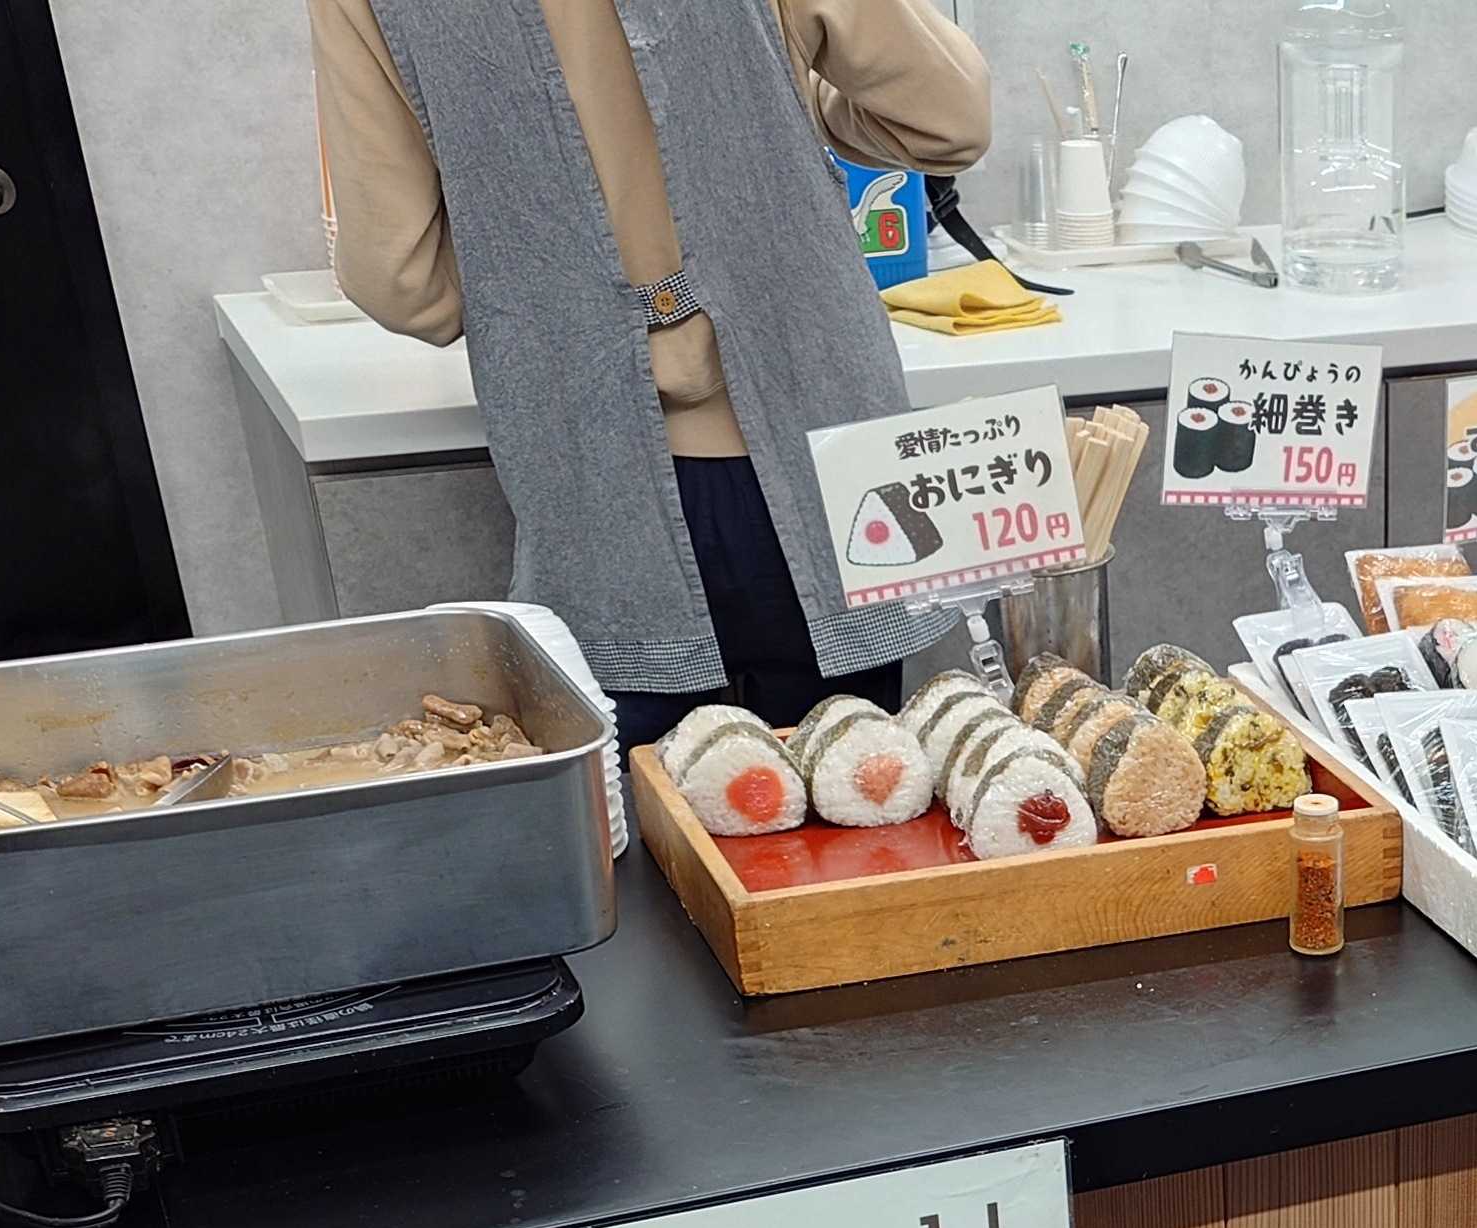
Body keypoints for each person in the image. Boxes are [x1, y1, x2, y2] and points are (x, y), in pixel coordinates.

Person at [316, 0, 991, 742]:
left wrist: (535, 276)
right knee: (853, 785)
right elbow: (947, 118)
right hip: (826, 453)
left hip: (594, 478)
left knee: (641, 804)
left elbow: (397, 279)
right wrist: (795, 102)